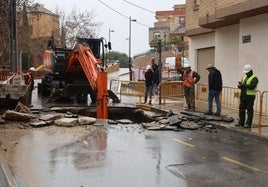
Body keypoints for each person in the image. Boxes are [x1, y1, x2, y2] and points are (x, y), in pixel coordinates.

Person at [236, 64, 259, 128]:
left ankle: (248, 124)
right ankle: (241, 123)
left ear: (250, 71)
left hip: (250, 97)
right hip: (243, 95)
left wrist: (243, 86)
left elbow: (252, 87)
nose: (246, 74)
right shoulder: (244, 77)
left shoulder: (254, 78)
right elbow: (242, 85)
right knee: (241, 109)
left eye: (247, 72)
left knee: (249, 110)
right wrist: (240, 86)